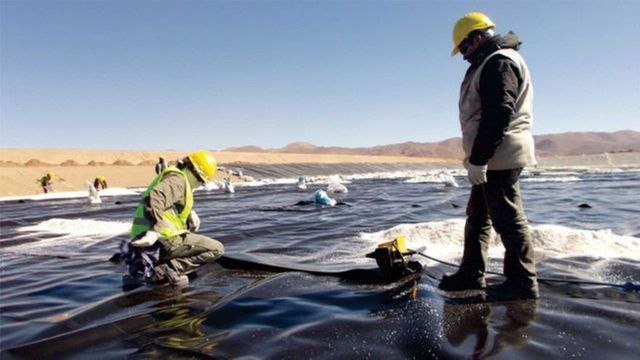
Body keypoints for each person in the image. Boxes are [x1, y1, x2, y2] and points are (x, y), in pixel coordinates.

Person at [438, 12, 538, 300]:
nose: (464, 56)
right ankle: (471, 274)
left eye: (465, 48)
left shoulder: (499, 63)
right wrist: (478, 159)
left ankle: (522, 284)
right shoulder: (488, 61)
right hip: (490, 156)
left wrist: (480, 159)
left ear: (478, 37)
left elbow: (498, 114)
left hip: (499, 156)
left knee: (507, 217)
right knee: (478, 216)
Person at [122, 150, 224, 288]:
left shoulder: (174, 175)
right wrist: (154, 230)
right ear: (196, 173)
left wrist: (190, 213)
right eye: (200, 181)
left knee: (189, 236)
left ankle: (147, 266)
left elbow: (168, 199)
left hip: (142, 240)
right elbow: (156, 197)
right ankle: (165, 270)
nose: (199, 185)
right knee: (216, 249)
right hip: (160, 239)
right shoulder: (178, 180)